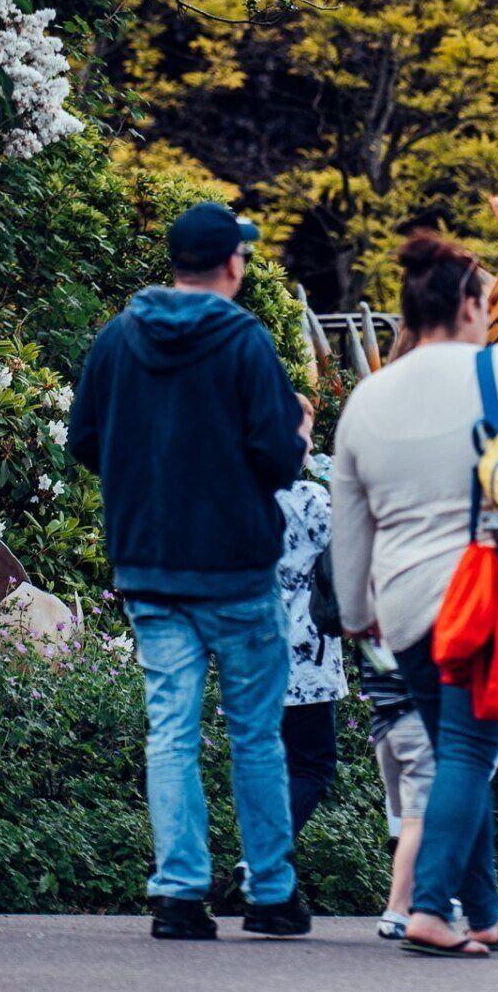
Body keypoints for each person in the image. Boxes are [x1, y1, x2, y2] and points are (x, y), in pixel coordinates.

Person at [330, 231, 498, 958]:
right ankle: (431, 909)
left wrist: (355, 614)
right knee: (471, 753)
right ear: (472, 305)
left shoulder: (367, 398)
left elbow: (352, 524)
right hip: (494, 594)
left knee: (455, 754)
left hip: (405, 605)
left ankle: (484, 915)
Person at [68, 201, 313, 941]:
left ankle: (177, 894)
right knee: (256, 735)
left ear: (175, 262)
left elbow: (84, 438)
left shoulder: (118, 337)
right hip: (236, 568)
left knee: (170, 731)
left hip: (149, 565)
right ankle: (270, 894)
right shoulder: (246, 343)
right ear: (233, 264)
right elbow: (278, 455)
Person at [276, 413, 345, 841]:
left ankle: (262, 870)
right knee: (313, 767)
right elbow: (351, 548)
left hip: (255, 652)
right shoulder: (308, 499)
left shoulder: (242, 494)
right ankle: (259, 860)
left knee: (272, 766)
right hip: (306, 656)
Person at [362, 656, 434, 940]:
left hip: (383, 722)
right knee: (418, 822)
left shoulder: (365, 614)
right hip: (417, 720)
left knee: (409, 822)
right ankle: (397, 910)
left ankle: (426, 896)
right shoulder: (412, 615)